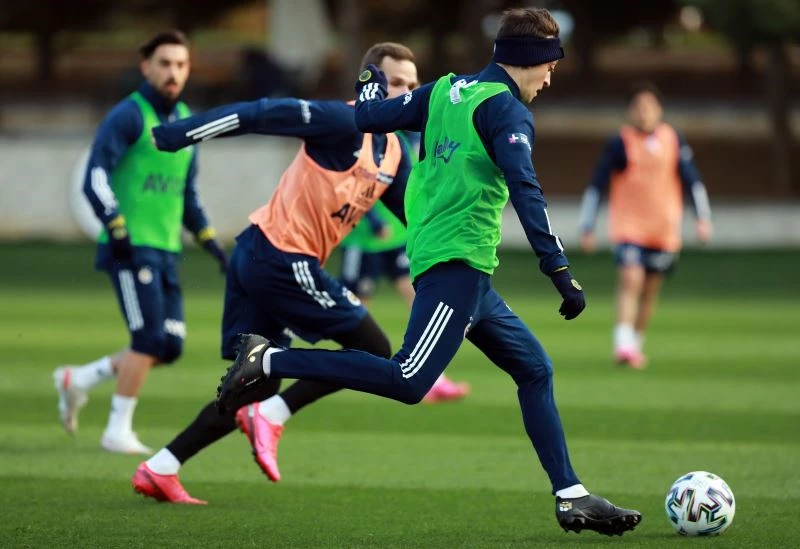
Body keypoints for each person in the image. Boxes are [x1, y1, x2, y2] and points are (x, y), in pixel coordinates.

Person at [219, 8, 642, 536]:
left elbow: (368, 117)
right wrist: (558, 267)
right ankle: (269, 358)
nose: (550, 78)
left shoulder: (445, 90)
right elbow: (526, 190)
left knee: (535, 369)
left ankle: (570, 495)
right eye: (550, 66)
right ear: (530, 59)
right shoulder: (506, 111)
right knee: (408, 379)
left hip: (468, 272)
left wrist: (370, 83)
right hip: (453, 265)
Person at [131, 43, 421, 504]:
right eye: (395, 82)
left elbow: (418, 220)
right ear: (370, 83)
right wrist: (181, 132)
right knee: (373, 349)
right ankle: (274, 414)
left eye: (412, 85)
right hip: (280, 258)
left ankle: (161, 467)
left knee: (256, 381)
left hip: (261, 255)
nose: (405, 93)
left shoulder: (396, 152)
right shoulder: (341, 121)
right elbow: (260, 113)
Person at [53, 30, 227, 455]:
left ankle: (78, 379)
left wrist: (212, 243)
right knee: (148, 339)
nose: (173, 72)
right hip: (131, 248)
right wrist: (115, 225)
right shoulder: (129, 116)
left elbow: (186, 193)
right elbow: (96, 175)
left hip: (167, 249)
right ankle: (117, 431)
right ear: (146, 67)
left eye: (181, 65)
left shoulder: (186, 121)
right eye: (164, 63)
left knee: (169, 346)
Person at [577, 82, 712, 369]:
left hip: (663, 229)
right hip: (629, 227)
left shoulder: (673, 139)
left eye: (649, 106)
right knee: (631, 280)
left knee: (650, 291)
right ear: (630, 111)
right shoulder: (620, 143)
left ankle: (635, 343)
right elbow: (597, 184)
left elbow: (692, 181)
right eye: (638, 107)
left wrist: (702, 218)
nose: (644, 112)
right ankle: (622, 345)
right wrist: (587, 226)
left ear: (659, 110)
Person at [340, 129, 470, 403]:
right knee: (356, 312)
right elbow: (355, 179)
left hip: (399, 236)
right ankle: (353, 371)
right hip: (364, 240)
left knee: (420, 299)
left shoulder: (411, 138)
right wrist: (375, 221)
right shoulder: (372, 135)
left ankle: (433, 377)